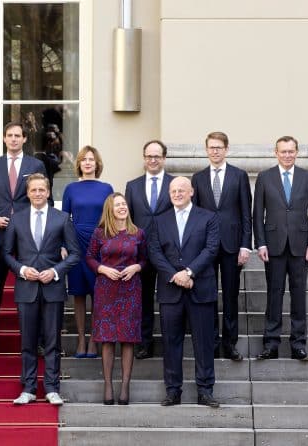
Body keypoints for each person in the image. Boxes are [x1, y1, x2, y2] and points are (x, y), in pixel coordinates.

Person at [0, 121, 48, 358]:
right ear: (4, 138)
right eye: (10, 135)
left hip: (29, 235)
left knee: (33, 291)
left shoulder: (36, 165)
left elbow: (44, 198)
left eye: (18, 135)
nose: (14, 139)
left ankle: (37, 341)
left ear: (24, 139)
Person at [5, 174, 80, 407]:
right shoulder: (17, 219)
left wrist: (55, 271)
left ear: (48, 192)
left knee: (52, 341)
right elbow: (6, 254)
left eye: (41, 190)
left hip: (52, 288)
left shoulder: (62, 218)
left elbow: (75, 254)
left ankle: (51, 388)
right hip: (26, 287)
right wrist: (22, 269)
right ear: (27, 193)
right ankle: (28, 388)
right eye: (33, 190)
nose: (37, 193)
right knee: (27, 342)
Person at [149, 176, 220, 408]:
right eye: (173, 191)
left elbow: (211, 249)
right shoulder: (159, 220)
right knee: (171, 343)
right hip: (170, 290)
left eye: (182, 190)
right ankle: (173, 391)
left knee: (204, 343)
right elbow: (155, 252)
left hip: (201, 288)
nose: (177, 194)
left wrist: (189, 273)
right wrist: (175, 276)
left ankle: (205, 391)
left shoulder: (208, 217)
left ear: (191, 192)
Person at [253, 136, 308, 361]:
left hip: (301, 246)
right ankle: (271, 344)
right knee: (274, 295)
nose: (287, 155)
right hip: (273, 246)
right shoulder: (264, 177)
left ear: (297, 152)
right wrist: (260, 243)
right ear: (276, 153)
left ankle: (298, 344)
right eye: (283, 151)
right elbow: (257, 213)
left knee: (299, 296)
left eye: (291, 151)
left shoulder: (307, 177)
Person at [191, 132, 252, 361]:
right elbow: (194, 215)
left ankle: (230, 343)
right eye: (211, 147)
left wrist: (246, 245)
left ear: (226, 149)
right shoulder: (198, 178)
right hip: (205, 247)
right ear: (206, 150)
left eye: (219, 147)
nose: (215, 151)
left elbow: (246, 213)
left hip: (232, 246)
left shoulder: (239, 176)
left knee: (230, 296)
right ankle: (212, 343)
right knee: (208, 296)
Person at [87, 193, 146, 405]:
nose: (122, 207)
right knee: (108, 338)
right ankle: (108, 386)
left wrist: (136, 267)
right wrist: (102, 269)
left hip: (130, 290)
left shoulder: (138, 233)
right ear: (110, 210)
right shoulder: (100, 233)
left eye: (123, 204)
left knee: (128, 338)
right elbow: (89, 257)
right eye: (117, 205)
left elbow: (145, 259)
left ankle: (125, 387)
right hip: (106, 289)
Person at [61, 145, 114, 358]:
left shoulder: (106, 188)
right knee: (79, 293)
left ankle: (94, 339)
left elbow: (111, 218)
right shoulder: (70, 189)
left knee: (98, 293)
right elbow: (64, 219)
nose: (88, 162)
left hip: (99, 243)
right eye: (84, 159)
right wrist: (63, 245)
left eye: (91, 159)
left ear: (97, 163)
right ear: (79, 164)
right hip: (76, 244)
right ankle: (81, 339)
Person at [125, 140, 174, 360]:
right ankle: (145, 343)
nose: (152, 160)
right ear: (144, 158)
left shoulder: (174, 184)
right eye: (149, 156)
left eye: (157, 156)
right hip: (141, 254)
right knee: (143, 300)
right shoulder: (132, 186)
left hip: (168, 252)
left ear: (164, 158)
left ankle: (169, 342)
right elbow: (127, 220)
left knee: (168, 299)